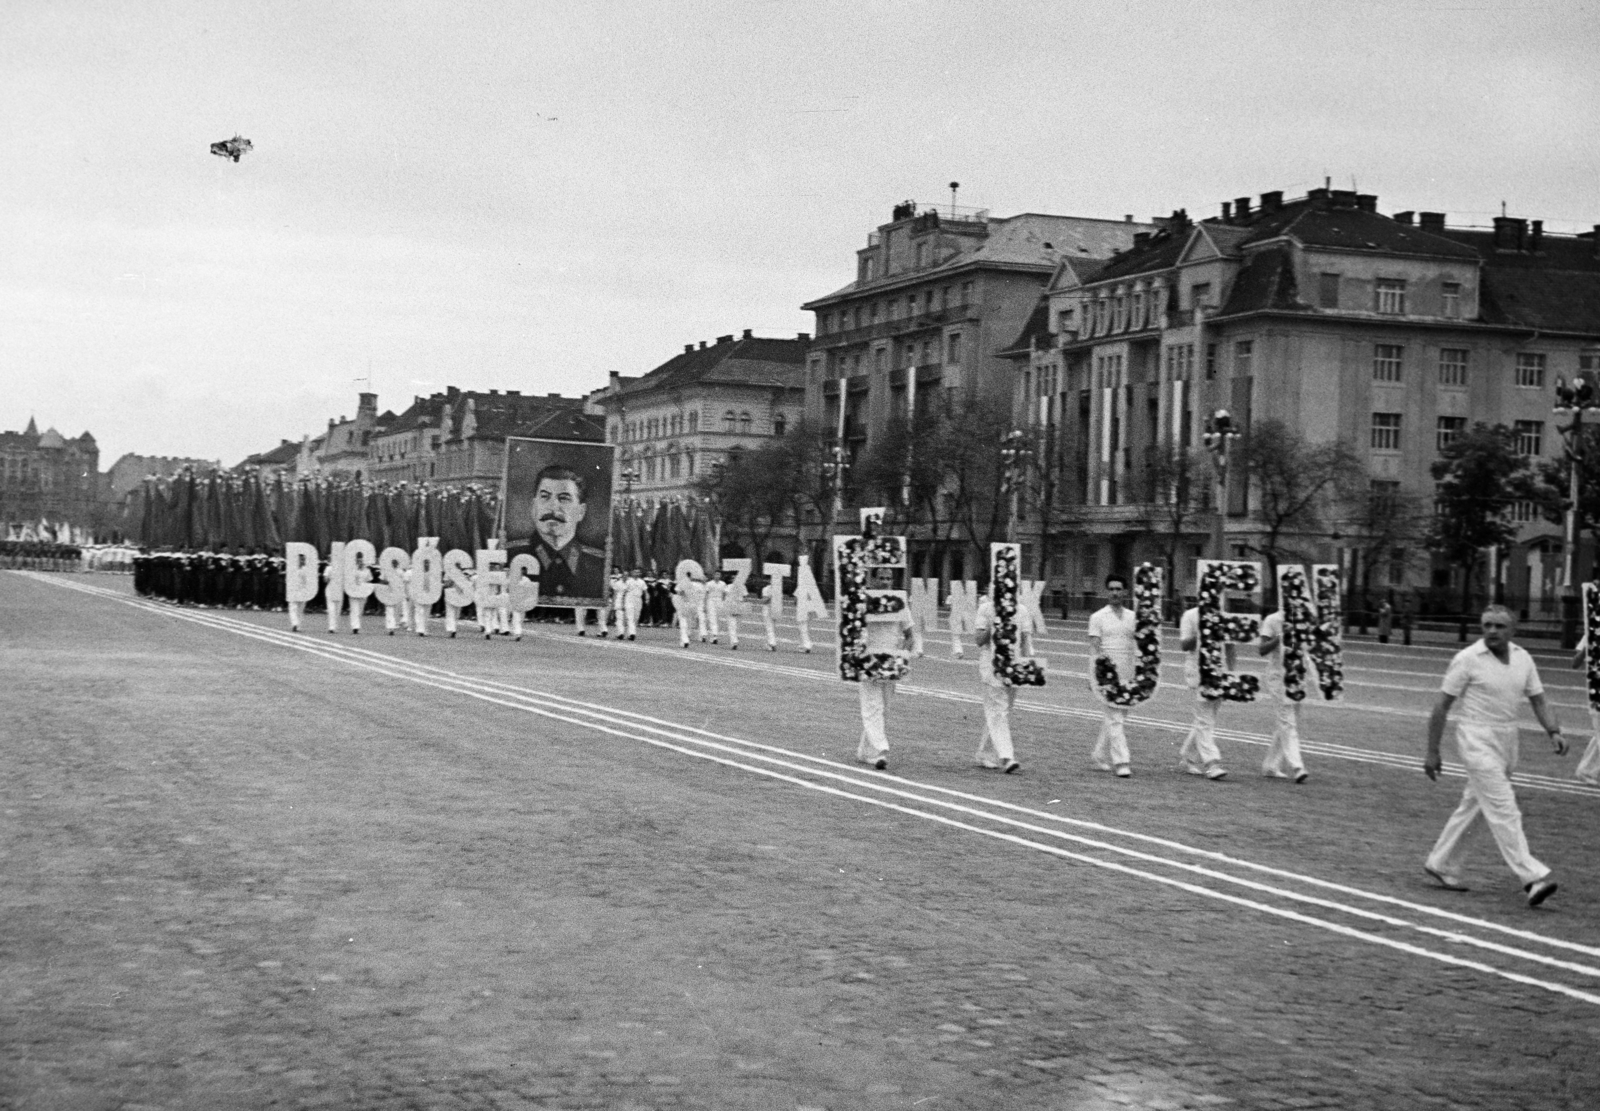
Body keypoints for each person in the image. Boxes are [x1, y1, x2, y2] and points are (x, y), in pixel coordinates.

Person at [1424, 606, 1565, 907]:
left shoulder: (1523, 658)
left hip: (1507, 740)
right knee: (1504, 808)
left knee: (1474, 805)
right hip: (1476, 739)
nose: (1492, 631)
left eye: (1499, 626)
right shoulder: (1467, 659)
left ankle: (1441, 862)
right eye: (1487, 625)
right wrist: (1432, 751)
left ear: (1512, 629)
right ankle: (1532, 878)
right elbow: (1441, 707)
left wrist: (1553, 731)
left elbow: (1538, 699)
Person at [506, 465, 606, 602]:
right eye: (545, 497)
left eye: (564, 498)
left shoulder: (599, 565)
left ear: (581, 512)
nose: (553, 507)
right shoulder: (509, 556)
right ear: (533, 506)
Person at [857, 594, 917, 770]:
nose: (885, 581)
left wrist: (901, 657)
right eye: (881, 577)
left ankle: (865, 751)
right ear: (874, 579)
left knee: (883, 708)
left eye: (888, 578)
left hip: (890, 662)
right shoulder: (864, 601)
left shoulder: (900, 602)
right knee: (872, 706)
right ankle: (880, 750)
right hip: (869, 661)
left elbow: (909, 636)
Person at [1086, 574, 1136, 778]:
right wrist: (1094, 676)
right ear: (1107, 591)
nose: (1115, 593)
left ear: (1125, 591)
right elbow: (1095, 648)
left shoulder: (1133, 617)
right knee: (1115, 718)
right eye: (1112, 589)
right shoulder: (1098, 617)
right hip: (1107, 674)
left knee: (1118, 716)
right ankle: (1121, 761)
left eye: (1119, 589)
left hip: (1127, 672)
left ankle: (1098, 753)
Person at [1177, 604, 1229, 780]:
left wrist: (1230, 675)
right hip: (1198, 671)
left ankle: (1188, 756)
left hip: (1219, 671)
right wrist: (1202, 631)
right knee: (1205, 719)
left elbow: (1229, 647)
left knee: (1207, 719)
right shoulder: (1190, 615)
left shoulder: (1222, 614)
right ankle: (1212, 763)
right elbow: (1185, 645)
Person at [1257, 606, 1309, 783]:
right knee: (1288, 722)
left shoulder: (1302, 618)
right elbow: (1262, 649)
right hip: (1277, 677)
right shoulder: (1272, 620)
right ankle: (1297, 766)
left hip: (1296, 676)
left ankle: (1271, 765)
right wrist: (1280, 638)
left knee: (1288, 721)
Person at [973, 594, 1022, 773]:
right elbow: (978, 640)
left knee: (1001, 711)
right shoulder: (986, 609)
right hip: (991, 666)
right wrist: (994, 624)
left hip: (1013, 666)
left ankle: (985, 752)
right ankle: (1007, 757)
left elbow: (1025, 641)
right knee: (998, 711)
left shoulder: (1021, 610)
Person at [1570, 635, 1600, 785]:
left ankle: (1586, 770)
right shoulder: (1592, 631)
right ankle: (1586, 770)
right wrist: (1587, 647)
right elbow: (1575, 663)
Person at [621, 569, 645, 640]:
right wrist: (622, 602)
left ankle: (631, 632)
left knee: (636, 617)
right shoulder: (628, 581)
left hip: (638, 600)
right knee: (630, 617)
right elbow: (624, 592)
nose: (637, 573)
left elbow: (645, 591)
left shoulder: (642, 582)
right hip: (629, 599)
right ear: (632, 573)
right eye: (635, 572)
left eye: (638, 572)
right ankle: (632, 634)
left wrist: (647, 598)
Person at [705, 574, 728, 644]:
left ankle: (715, 635)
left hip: (719, 601)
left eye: (718, 575)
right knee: (712, 618)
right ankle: (714, 636)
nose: (717, 576)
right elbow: (706, 593)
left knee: (717, 619)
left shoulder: (723, 584)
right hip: (711, 600)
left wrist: (724, 602)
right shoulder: (709, 583)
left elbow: (724, 593)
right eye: (716, 574)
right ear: (713, 576)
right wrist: (705, 603)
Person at [759, 576, 780, 651]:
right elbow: (763, 601)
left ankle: (768, 644)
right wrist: (770, 597)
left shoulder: (778, 589)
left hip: (775, 610)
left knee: (772, 628)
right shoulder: (766, 589)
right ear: (769, 581)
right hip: (767, 609)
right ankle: (772, 643)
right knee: (769, 627)